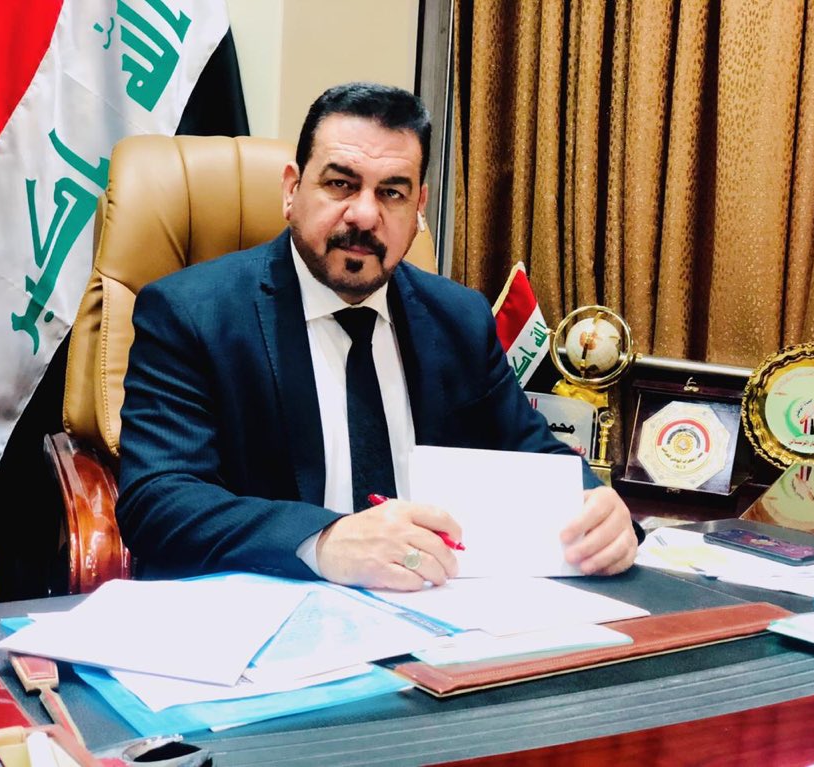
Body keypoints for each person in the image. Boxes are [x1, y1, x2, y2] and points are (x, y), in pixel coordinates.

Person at [116, 82, 638, 591]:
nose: (365, 215)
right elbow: (158, 501)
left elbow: (531, 455)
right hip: (268, 608)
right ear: (292, 190)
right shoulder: (191, 313)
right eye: (340, 184)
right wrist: (322, 540)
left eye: (391, 192)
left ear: (418, 208)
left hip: (438, 607)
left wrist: (599, 508)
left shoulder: (458, 318)